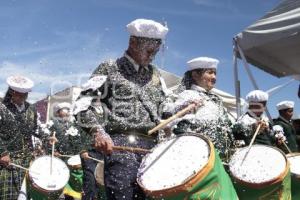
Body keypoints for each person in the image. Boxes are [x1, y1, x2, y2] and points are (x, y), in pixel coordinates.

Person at [75, 18, 169, 200]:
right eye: (148, 51)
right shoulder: (110, 68)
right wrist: (98, 132)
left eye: (155, 53)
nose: (151, 57)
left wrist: (172, 116)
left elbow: (165, 109)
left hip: (153, 150)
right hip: (120, 147)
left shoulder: (156, 75)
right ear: (133, 43)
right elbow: (82, 105)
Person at [163, 57, 235, 161]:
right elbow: (171, 119)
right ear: (195, 75)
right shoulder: (188, 95)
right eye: (210, 73)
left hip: (220, 155)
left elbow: (227, 125)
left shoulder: (216, 99)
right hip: (199, 154)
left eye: (215, 73)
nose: (214, 77)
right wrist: (184, 108)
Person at [0, 75, 38, 200]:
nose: (22, 98)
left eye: (25, 95)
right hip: (7, 160)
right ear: (11, 92)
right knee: (8, 195)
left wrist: (47, 137)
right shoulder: (2, 108)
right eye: (19, 95)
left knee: (25, 194)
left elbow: (35, 129)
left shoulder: (31, 108)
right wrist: (2, 153)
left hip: (26, 158)